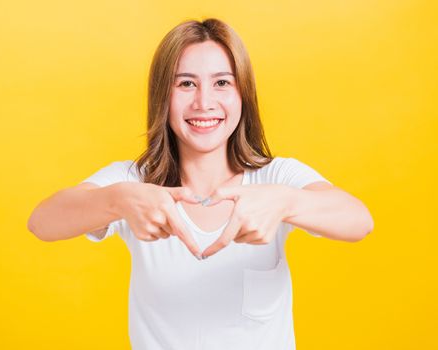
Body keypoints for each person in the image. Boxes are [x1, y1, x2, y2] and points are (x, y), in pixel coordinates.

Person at [27, 18, 374, 350]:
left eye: (222, 83)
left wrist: (287, 202)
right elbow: (42, 222)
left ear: (243, 95)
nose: (204, 103)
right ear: (163, 95)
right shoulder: (136, 182)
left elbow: (359, 220)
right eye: (186, 83)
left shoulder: (275, 177)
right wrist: (118, 200)